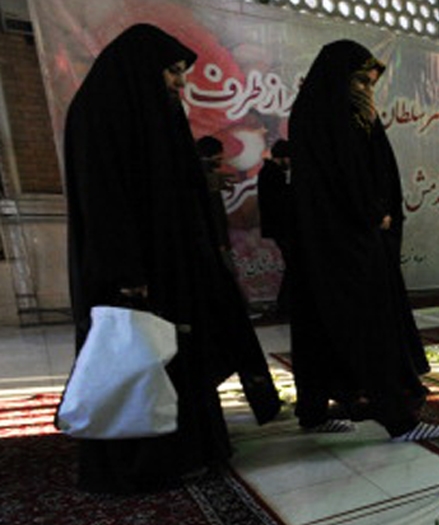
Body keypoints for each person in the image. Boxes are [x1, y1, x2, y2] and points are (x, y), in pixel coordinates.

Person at [63, 24, 280, 494]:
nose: (180, 82)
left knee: (178, 359)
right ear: (143, 67)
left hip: (171, 265)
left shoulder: (153, 114)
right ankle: (141, 464)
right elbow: (103, 203)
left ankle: (192, 448)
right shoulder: (101, 114)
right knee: (135, 365)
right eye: (173, 71)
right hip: (134, 271)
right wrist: (125, 273)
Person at [288, 39, 439, 441]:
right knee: (368, 329)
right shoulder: (332, 116)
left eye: (371, 85)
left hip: (320, 242)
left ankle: (312, 411)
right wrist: (373, 213)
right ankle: (398, 421)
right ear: (339, 78)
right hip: (345, 241)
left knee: (317, 327)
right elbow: (347, 174)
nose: (365, 92)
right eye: (360, 82)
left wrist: (370, 123)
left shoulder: (318, 111)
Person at [257, 138, 293, 313]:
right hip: (282, 229)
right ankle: (284, 305)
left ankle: (285, 305)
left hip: (279, 229)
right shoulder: (273, 174)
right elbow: (281, 204)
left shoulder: (269, 172)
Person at [195, 135, 236, 270]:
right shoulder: (208, 176)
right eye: (220, 155)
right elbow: (215, 211)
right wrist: (221, 241)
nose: (222, 158)